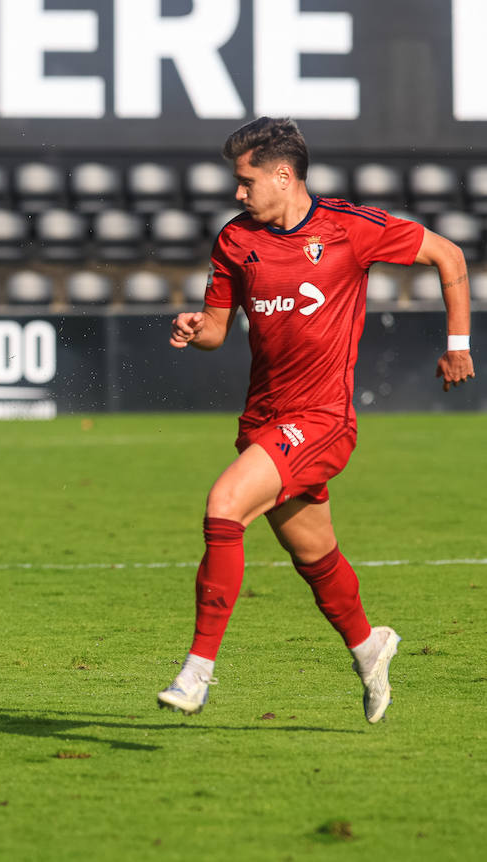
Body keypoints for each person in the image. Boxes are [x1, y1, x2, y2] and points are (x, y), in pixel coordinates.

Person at [159, 117, 474, 723]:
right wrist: (194, 329)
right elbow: (218, 330)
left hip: (322, 419)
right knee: (315, 556)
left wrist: (457, 344)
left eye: (246, 181)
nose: (238, 193)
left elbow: (449, 254)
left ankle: (197, 671)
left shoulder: (350, 228)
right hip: (264, 420)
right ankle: (369, 646)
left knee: (224, 503)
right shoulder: (234, 241)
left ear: (283, 175)